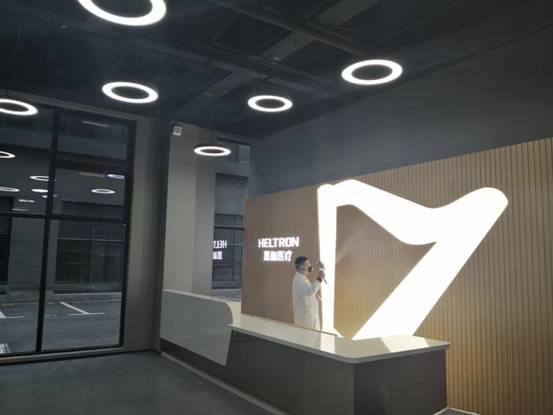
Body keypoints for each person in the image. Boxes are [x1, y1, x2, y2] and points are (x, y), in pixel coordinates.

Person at [292, 256, 325, 330]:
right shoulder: (300, 279)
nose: (310, 266)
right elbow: (309, 292)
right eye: (307, 264)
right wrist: (319, 279)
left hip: (307, 314)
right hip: (306, 317)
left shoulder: (301, 277)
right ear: (301, 267)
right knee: (308, 335)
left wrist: (314, 297)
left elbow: (306, 292)